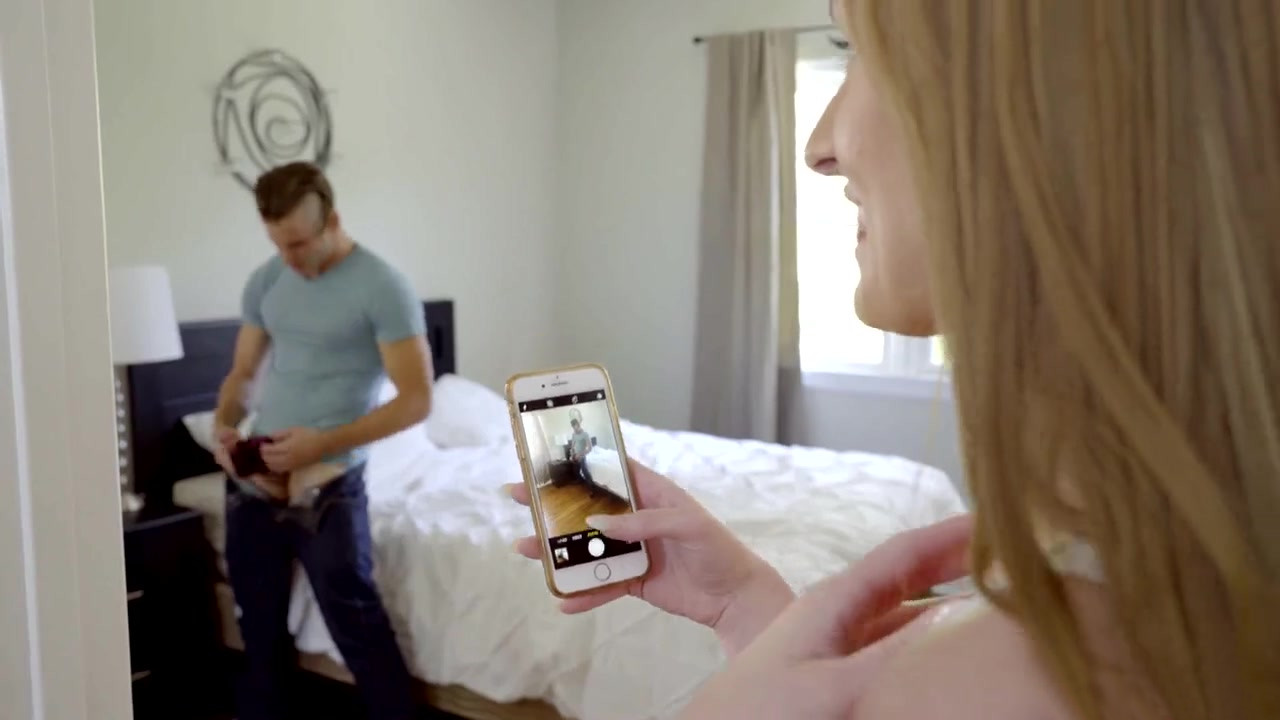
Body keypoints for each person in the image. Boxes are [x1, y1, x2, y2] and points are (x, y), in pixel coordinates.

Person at [507, 1, 1280, 718]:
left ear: (1047, 111)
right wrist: (747, 606)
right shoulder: (1178, 580)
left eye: (857, 50)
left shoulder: (1012, 678)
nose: (818, 148)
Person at [211, 161, 433, 720]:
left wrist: (319, 445)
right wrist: (223, 427)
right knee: (257, 628)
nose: (288, 259)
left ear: (332, 221)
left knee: (358, 625)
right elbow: (243, 375)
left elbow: (416, 400)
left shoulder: (383, 287)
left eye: (299, 244)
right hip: (255, 485)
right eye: (277, 244)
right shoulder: (267, 281)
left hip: (328, 484)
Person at [569, 418, 594, 484]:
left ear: (578, 425)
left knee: (584, 470)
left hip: (582, 454)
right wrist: (572, 454)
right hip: (576, 455)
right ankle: (581, 481)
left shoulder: (585, 434)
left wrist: (580, 454)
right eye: (573, 427)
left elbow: (590, 448)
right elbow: (572, 446)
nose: (574, 429)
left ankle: (591, 486)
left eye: (575, 427)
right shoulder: (574, 435)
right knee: (575, 470)